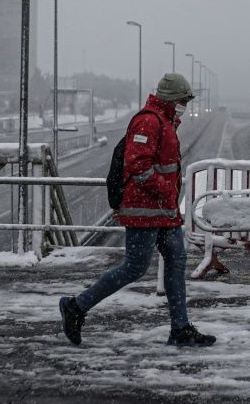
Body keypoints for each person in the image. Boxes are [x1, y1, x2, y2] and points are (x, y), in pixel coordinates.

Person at [59, 72, 215, 347]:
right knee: (134, 267)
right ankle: (76, 306)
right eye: (182, 100)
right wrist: (165, 190)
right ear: (170, 98)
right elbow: (137, 165)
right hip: (145, 210)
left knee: (176, 263)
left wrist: (168, 198)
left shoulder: (166, 121)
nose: (185, 106)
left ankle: (180, 328)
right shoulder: (148, 121)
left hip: (163, 211)